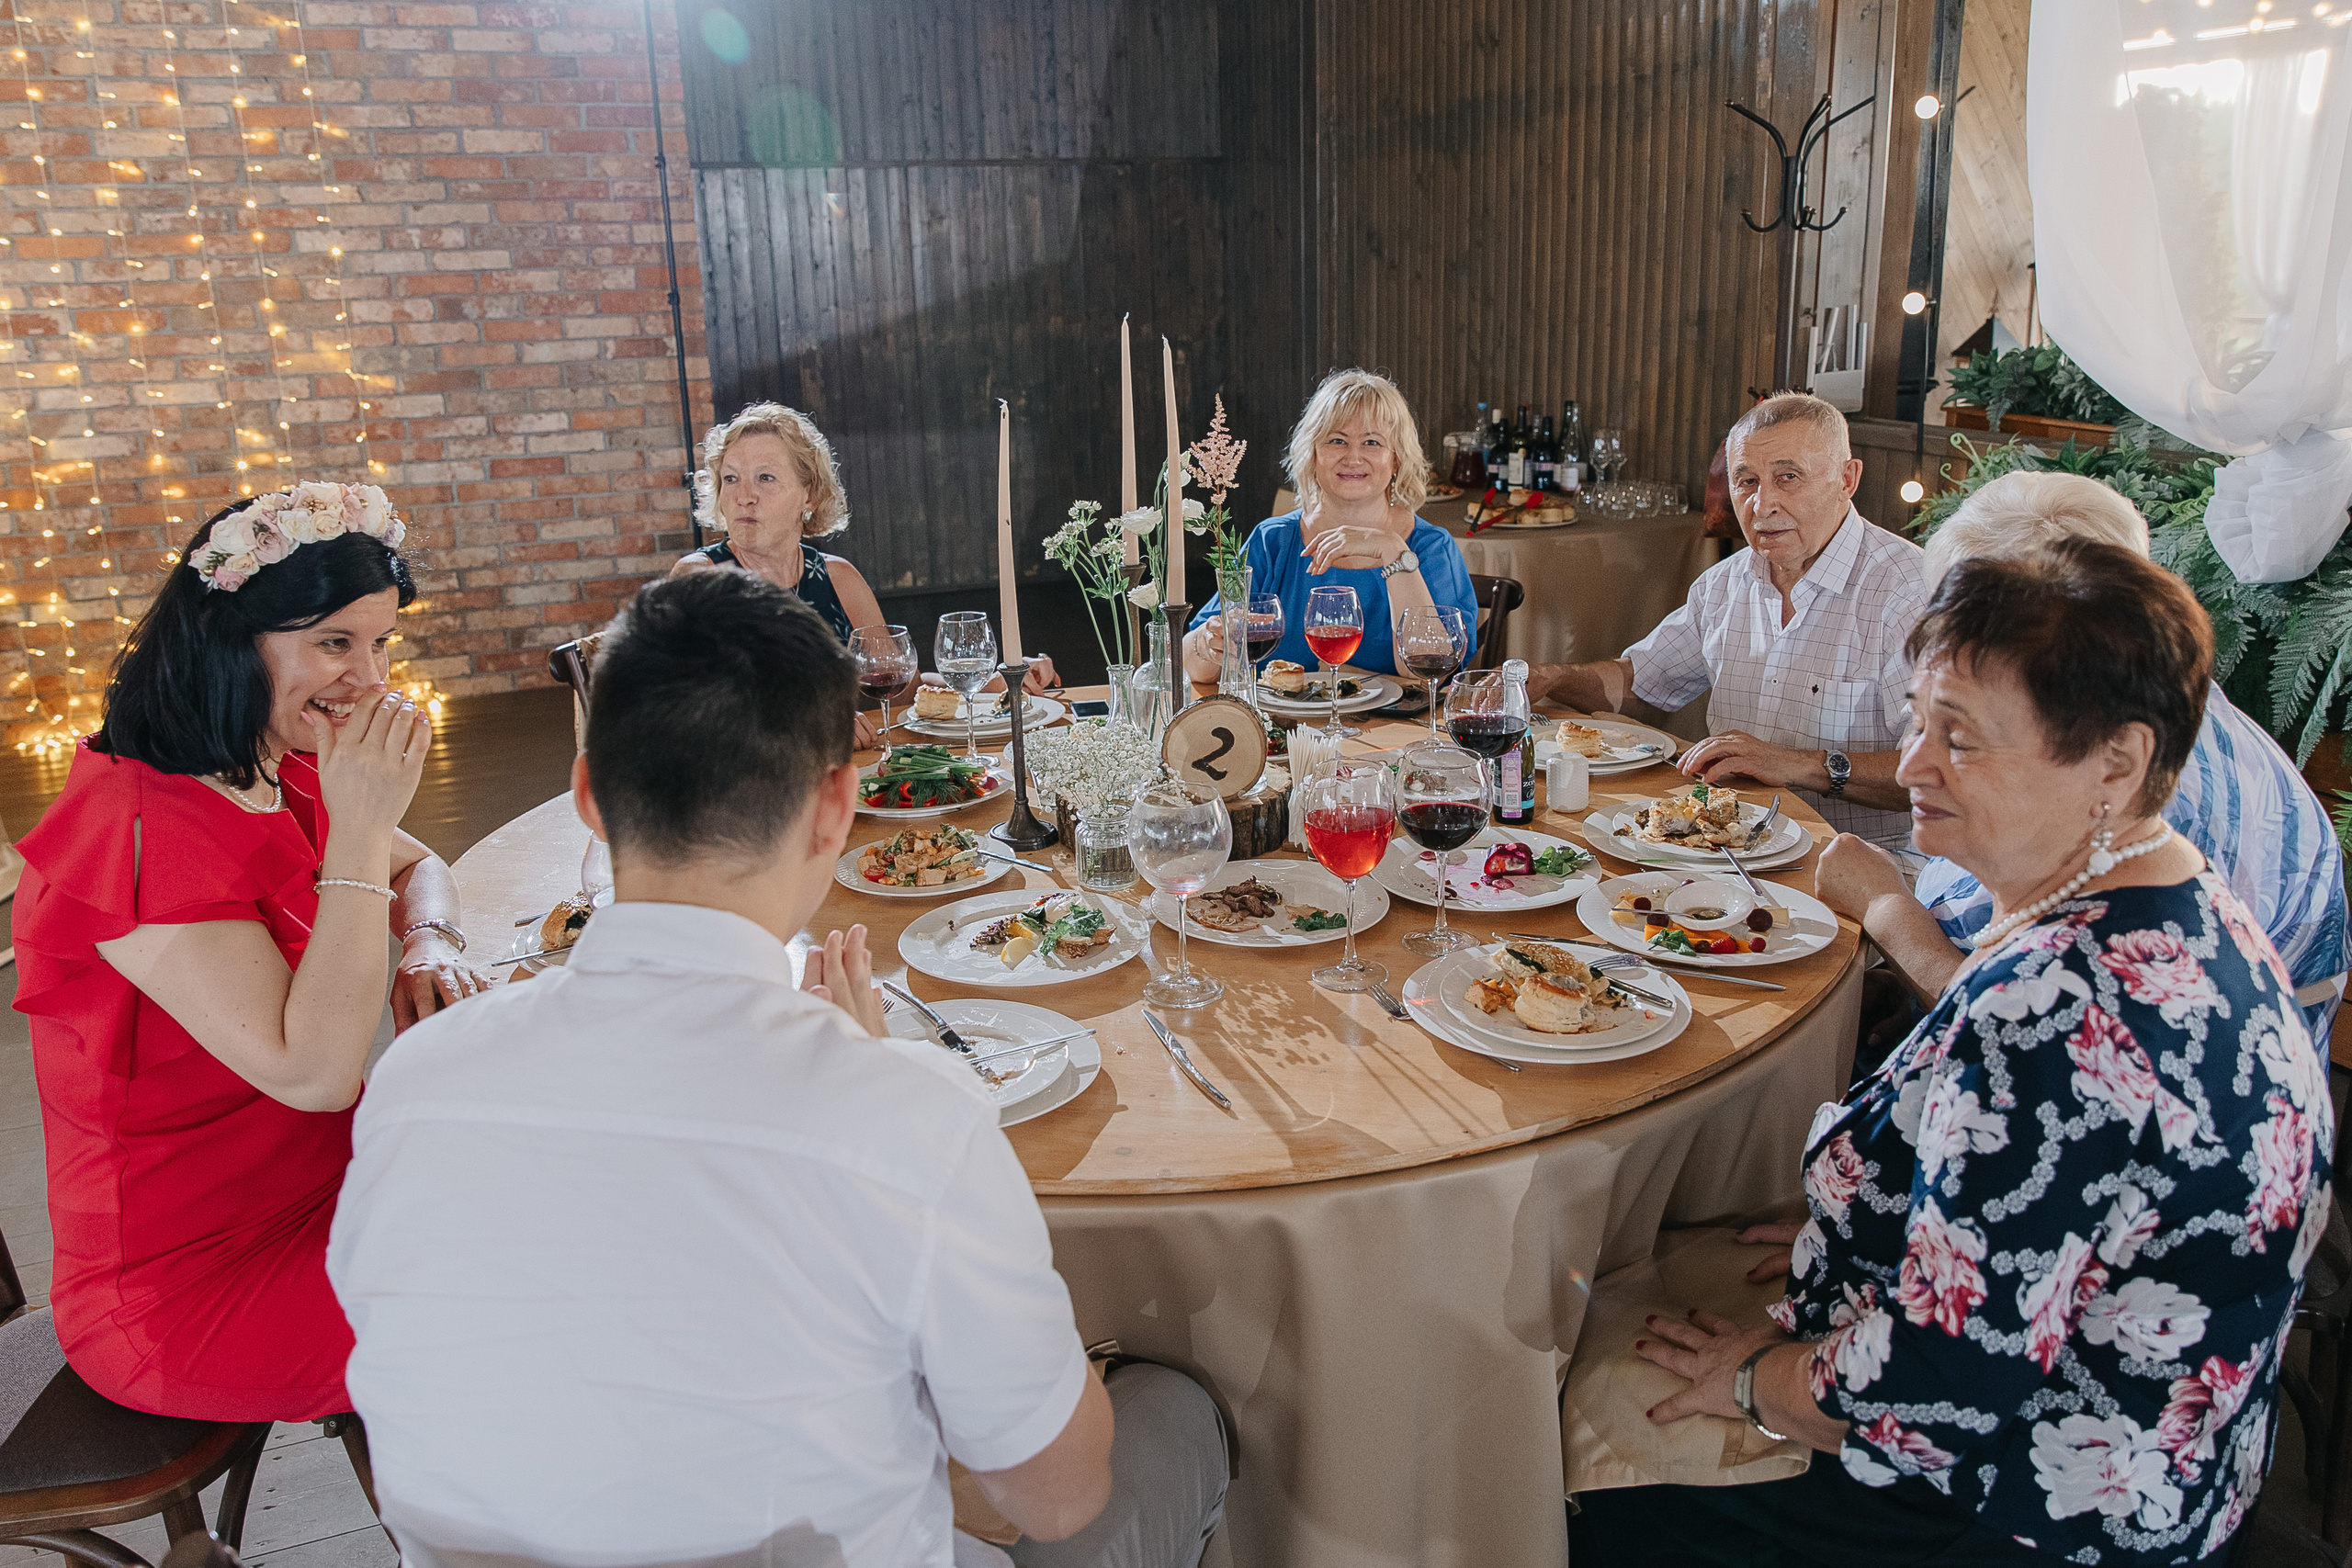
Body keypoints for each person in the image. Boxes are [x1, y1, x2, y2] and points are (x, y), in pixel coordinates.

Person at [327, 570, 1228, 1568]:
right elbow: (1056, 1497)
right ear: (837, 808)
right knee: (1173, 1413)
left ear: (588, 798)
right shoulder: (905, 1115)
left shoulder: (415, 1087)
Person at [1570, 538, 2326, 1567]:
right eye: (1917, 720)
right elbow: (2050, 1196)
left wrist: (1758, 1380)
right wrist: (1869, 1215)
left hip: (2025, 1508)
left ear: (2119, 759)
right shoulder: (2181, 903)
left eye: (1959, 739)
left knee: (1565, 1417)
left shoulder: (2062, 1014)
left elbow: (1930, 1394)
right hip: (2175, 1451)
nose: (1913, 765)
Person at [13, 483, 492, 1423]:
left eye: (382, 643)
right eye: (335, 643)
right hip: (189, 1284)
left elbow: (421, 867)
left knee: (568, 1206)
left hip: (333, 1181)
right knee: (528, 1312)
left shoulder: (271, 758)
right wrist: (359, 830)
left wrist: (426, 941)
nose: (372, 678)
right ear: (234, 638)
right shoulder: (137, 826)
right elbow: (315, 1074)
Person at [1818, 469, 2349, 1043]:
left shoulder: (2136, 799)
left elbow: (2038, 1025)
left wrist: (1886, 910)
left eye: (1981, 622)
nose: (1951, 639)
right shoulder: (2157, 705)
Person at [1524, 392, 1928, 851]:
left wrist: (1800, 765)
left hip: (1867, 868)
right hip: (1724, 852)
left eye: (1788, 477)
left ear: (1847, 479)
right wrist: (1551, 677)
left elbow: (1939, 772)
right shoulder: (1724, 584)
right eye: (1747, 481)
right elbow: (1638, 684)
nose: (1762, 503)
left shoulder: (1908, 593)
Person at [674, 402, 1054, 747]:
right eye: (731, 478)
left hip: (843, 782)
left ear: (811, 495)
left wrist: (999, 679)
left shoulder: (837, 578)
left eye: (765, 478)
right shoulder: (700, 580)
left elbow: (900, 689)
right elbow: (686, 713)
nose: (744, 496)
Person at [1181, 368, 1478, 682]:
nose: (1353, 457)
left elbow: (1428, 674)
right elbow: (1195, 669)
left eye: (1372, 442)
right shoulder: (1273, 542)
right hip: (1288, 729)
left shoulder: (1430, 548)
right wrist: (1210, 642)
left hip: (1395, 731)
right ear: (1312, 454)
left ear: (1396, 460)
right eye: (1337, 440)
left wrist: (1391, 549)